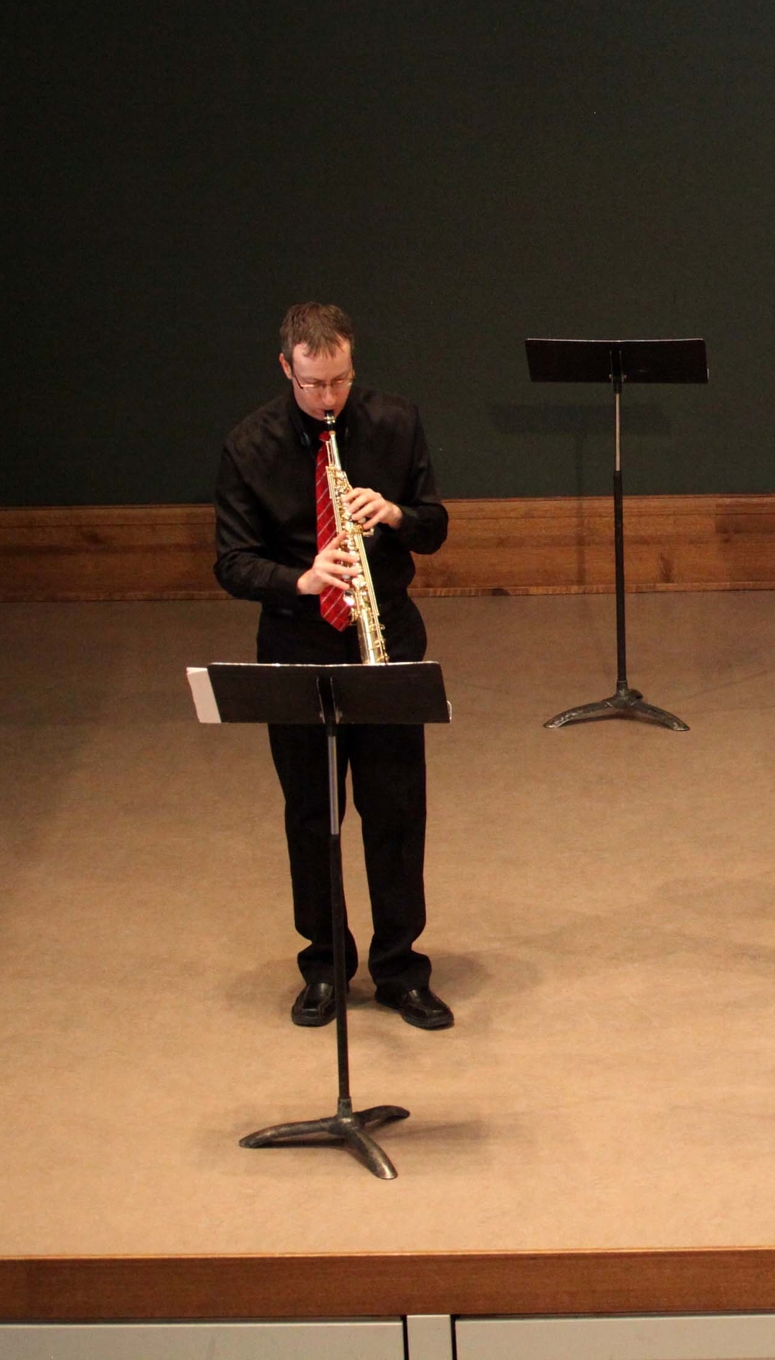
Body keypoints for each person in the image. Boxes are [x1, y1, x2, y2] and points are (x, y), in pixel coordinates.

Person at [214, 302, 454, 1030]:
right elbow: (231, 562)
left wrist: (397, 516)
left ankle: (400, 967)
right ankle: (323, 964)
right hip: (298, 644)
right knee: (312, 813)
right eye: (315, 383)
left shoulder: (395, 423)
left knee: (395, 808)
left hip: (386, 641)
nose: (328, 398)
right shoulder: (248, 447)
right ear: (287, 366)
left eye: (341, 380)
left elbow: (435, 524)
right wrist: (303, 578)